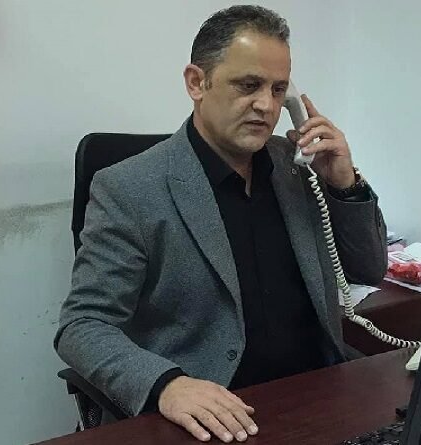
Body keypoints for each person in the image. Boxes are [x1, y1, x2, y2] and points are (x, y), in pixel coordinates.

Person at [54, 5, 387, 443]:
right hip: (214, 418)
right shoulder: (130, 188)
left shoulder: (297, 168)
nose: (266, 105)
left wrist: (344, 184)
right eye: (248, 85)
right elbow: (82, 326)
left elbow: (367, 270)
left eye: (278, 89)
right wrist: (166, 385)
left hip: (314, 396)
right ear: (197, 83)